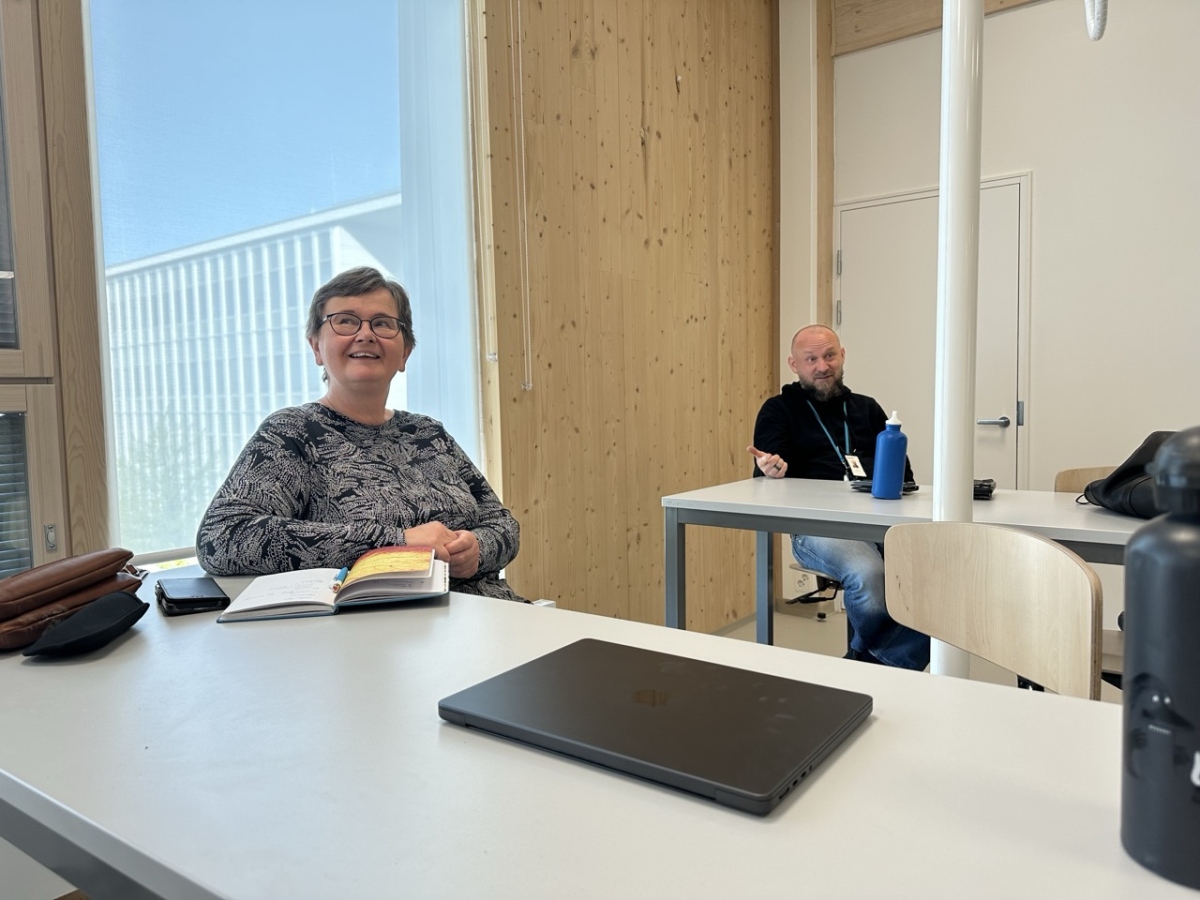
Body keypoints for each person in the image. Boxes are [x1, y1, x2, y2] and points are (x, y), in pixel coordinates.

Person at [196, 266, 523, 602]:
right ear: (317, 349)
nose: (365, 334)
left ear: (405, 353)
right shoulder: (293, 433)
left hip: (490, 617)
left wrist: (476, 551)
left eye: (382, 323)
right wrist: (399, 543)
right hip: (379, 639)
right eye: (346, 321)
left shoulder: (428, 433)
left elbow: (502, 523)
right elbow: (221, 538)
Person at [747, 324, 928, 669]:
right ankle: (878, 664)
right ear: (794, 364)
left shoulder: (868, 409)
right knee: (868, 573)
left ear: (842, 356)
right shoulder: (778, 410)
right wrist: (770, 470)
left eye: (829, 355)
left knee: (939, 575)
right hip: (818, 527)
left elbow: (904, 476)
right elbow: (767, 473)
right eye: (810, 358)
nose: (822, 366)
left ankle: (864, 660)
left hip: (879, 524)